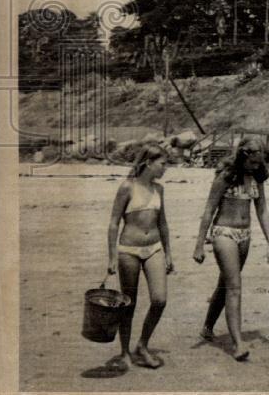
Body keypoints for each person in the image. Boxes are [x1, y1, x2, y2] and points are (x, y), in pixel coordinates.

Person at [194, 137, 269, 361]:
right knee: (235, 287)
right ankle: (238, 344)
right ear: (243, 156)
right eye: (252, 163)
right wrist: (199, 243)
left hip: (245, 235)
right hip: (224, 233)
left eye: (259, 163)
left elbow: (262, 210)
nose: (256, 167)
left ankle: (207, 327)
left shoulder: (257, 178)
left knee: (225, 285)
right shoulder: (225, 177)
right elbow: (209, 209)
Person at [106, 144, 173, 372]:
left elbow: (162, 223)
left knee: (160, 299)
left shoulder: (160, 189)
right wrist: (112, 256)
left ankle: (142, 345)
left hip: (154, 248)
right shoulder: (127, 187)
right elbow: (114, 222)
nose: (166, 168)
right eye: (163, 163)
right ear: (148, 163)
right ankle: (125, 351)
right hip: (128, 250)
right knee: (129, 303)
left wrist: (169, 252)